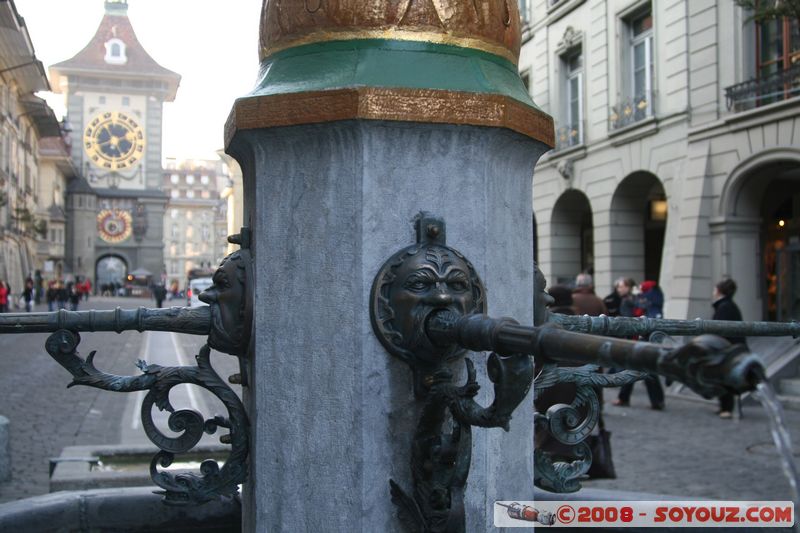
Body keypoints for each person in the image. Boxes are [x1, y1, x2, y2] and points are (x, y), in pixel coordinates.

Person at [613, 279, 666, 410]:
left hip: (637, 340)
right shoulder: (646, 300)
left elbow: (628, 321)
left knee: (640, 368)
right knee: (641, 368)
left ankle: (625, 398)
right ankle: (655, 401)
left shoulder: (631, 301)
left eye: (621, 286)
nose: (618, 289)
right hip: (642, 339)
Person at [712, 278, 746, 419]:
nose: (713, 291)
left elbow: (721, 330)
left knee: (725, 378)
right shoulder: (726, 305)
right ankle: (725, 406)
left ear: (719, 291)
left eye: (714, 289)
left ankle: (727, 408)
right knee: (723, 378)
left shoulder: (725, 307)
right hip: (729, 348)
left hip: (728, 350)